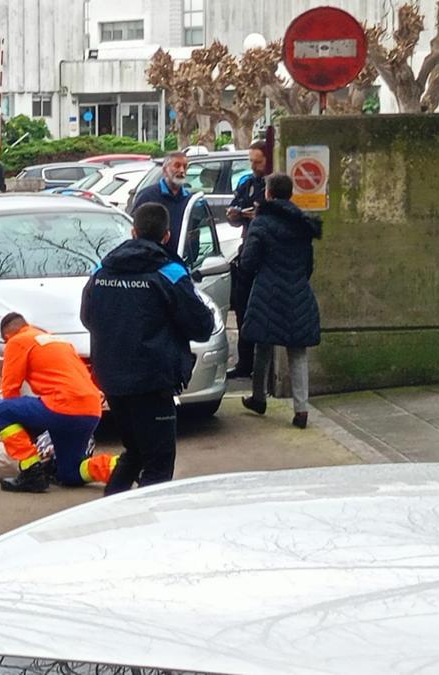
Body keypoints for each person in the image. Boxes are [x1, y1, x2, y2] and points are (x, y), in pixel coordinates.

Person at [80, 203, 215, 495]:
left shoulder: (103, 268)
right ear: (166, 236)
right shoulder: (169, 272)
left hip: (112, 379)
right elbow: (201, 325)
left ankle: (110, 510)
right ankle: (149, 523)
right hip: (153, 382)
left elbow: (87, 317)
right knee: (158, 462)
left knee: (135, 451)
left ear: (133, 231)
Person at [239, 173, 323, 429]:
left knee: (263, 343)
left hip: (268, 290)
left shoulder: (262, 222)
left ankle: (258, 397)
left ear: (269, 194)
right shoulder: (302, 224)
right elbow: (308, 265)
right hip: (298, 289)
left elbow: (248, 262)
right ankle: (301, 410)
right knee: (297, 351)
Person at [0, 313, 104, 493]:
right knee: (70, 473)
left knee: (0, 410)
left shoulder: (17, 341)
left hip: (62, 406)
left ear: (7, 335)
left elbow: (10, 390)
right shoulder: (56, 340)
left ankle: (31, 470)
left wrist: (23, 435)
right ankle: (118, 467)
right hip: (91, 410)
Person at [225, 141, 270, 380]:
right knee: (242, 310)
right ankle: (244, 363)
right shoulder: (248, 182)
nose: (253, 166)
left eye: (258, 162)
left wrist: (260, 215)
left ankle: (264, 370)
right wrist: (235, 214)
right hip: (247, 252)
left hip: (265, 258)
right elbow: (235, 208)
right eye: (251, 162)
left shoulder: (272, 184)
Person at [130, 151, 192, 258]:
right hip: (151, 261)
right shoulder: (147, 196)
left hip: (182, 260)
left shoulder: (190, 200)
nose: (182, 170)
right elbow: (136, 228)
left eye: (185, 167)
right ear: (165, 170)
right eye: (177, 166)